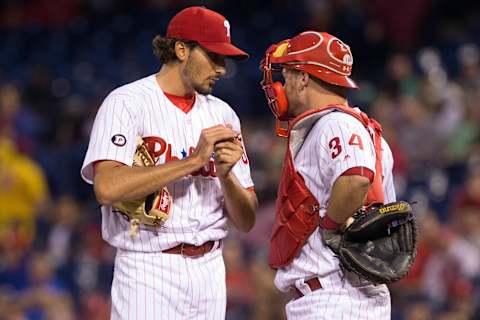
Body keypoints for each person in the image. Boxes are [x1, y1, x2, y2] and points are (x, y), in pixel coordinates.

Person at [80, 6, 257, 319]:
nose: (222, 68)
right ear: (181, 49)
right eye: (214, 56)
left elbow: (246, 221)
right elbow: (106, 188)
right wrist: (195, 161)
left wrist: (227, 177)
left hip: (210, 269)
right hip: (148, 266)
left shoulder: (224, 114)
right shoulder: (126, 102)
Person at [259, 31, 396, 319]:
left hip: (335, 296)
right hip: (348, 294)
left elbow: (356, 177)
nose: (283, 85)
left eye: (287, 76)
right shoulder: (364, 131)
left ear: (303, 78)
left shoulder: (335, 124)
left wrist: (331, 226)